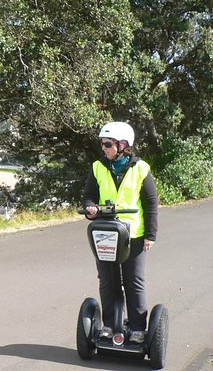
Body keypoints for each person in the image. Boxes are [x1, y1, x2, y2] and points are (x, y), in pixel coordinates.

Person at [82, 121, 159, 344]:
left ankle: (137, 329)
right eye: (102, 144)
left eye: (108, 144)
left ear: (123, 145)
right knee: (108, 281)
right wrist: (90, 209)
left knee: (134, 281)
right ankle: (110, 326)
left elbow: (151, 203)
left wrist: (150, 235)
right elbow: (88, 196)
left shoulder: (140, 168)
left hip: (133, 235)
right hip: (106, 232)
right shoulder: (98, 166)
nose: (104, 148)